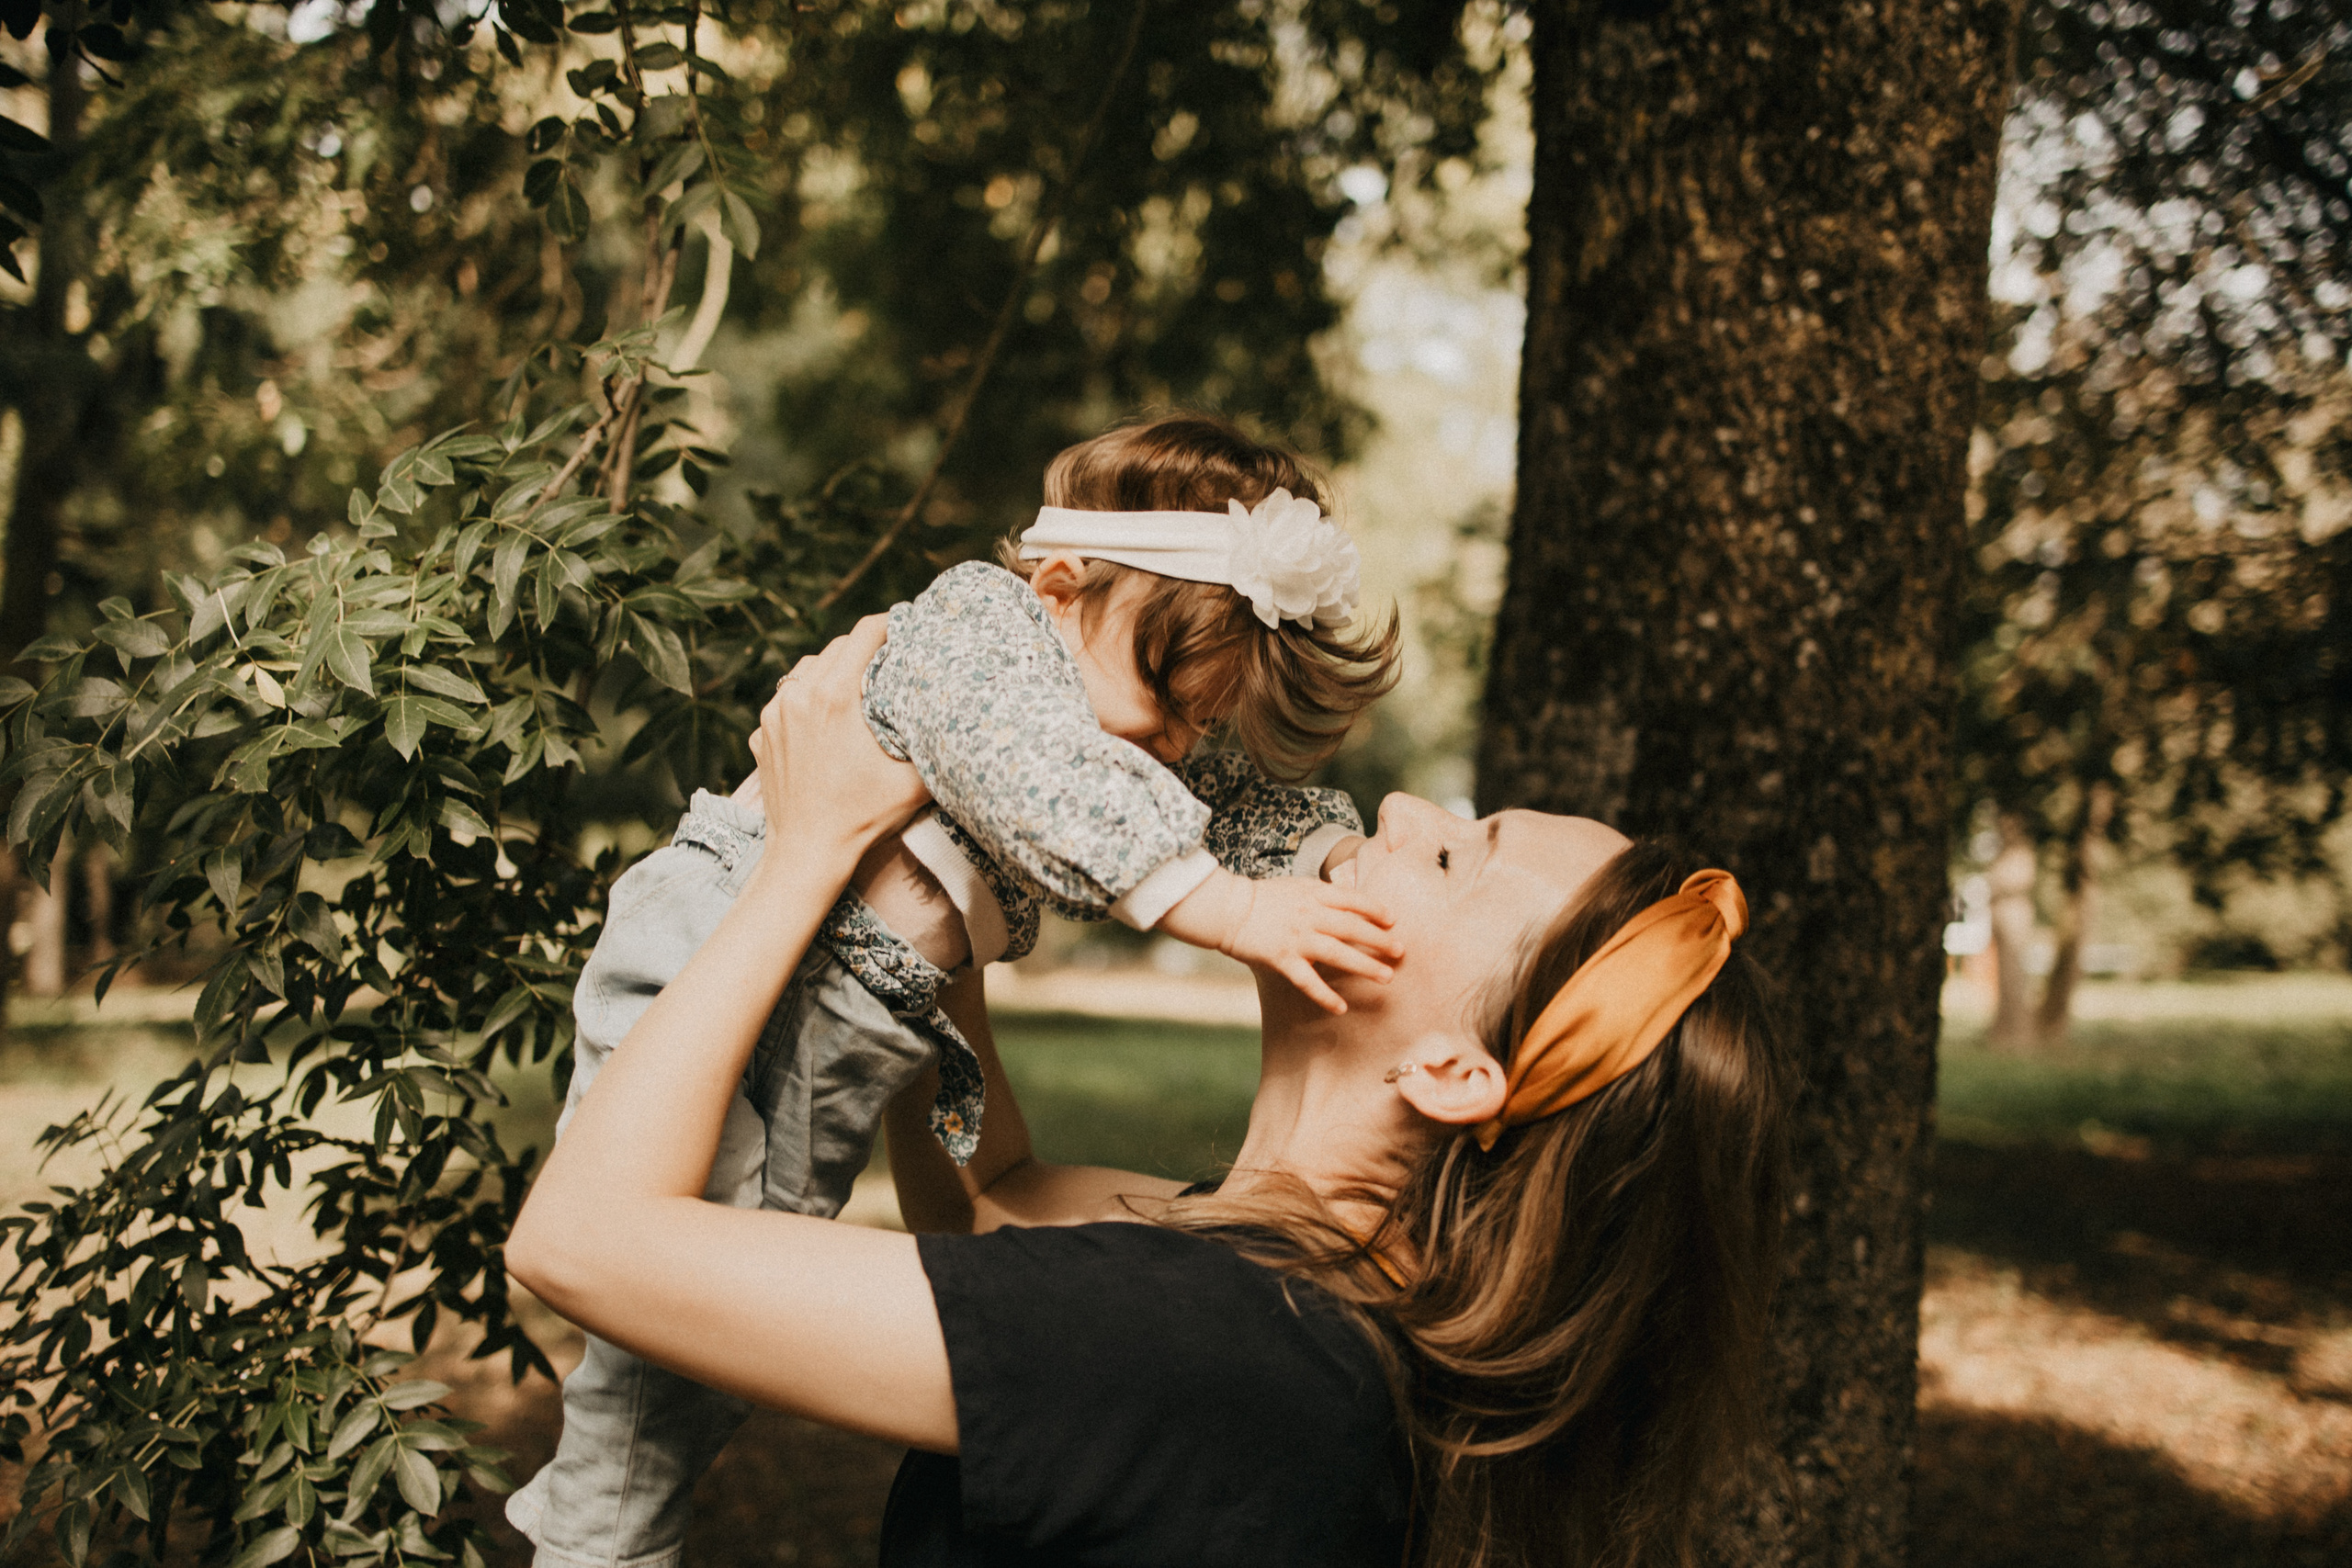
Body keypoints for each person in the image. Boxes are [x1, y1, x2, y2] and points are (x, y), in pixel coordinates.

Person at [506, 618, 1792, 1568]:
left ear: (1453, 1070)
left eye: (1455, 852)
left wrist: (809, 852)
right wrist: (947, 880)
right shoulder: (1285, 1290)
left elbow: (585, 1240)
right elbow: (989, 1192)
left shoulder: (1198, 1346)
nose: (1395, 805)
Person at [508, 415, 1408, 1568]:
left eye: (1204, 720)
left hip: (849, 1005)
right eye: (1172, 704)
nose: (1179, 747)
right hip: (729, 944)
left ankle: (607, 1525)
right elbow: (1040, 783)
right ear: (1059, 585)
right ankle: (596, 1548)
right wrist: (1230, 912)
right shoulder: (980, 633)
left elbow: (1232, 806)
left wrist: (1330, 863)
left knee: (701, 1313)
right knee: (652, 1338)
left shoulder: (1117, 686)